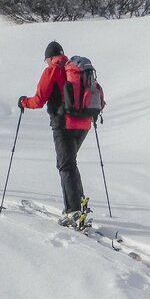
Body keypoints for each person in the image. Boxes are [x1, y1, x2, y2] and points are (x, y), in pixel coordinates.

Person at [18, 41, 93, 226]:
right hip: (84, 123)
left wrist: (23, 102)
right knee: (69, 164)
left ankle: (72, 211)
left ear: (50, 57)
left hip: (64, 123)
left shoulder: (53, 70)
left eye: (46, 60)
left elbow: (39, 100)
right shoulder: (76, 69)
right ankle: (79, 205)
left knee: (65, 166)